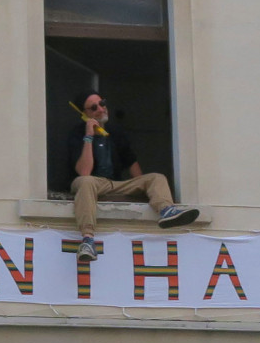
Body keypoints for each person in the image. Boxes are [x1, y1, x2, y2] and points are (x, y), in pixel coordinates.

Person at [66, 90, 199, 262]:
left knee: (156, 178)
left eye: (102, 103)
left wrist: (142, 190)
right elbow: (84, 171)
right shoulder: (78, 135)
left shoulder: (116, 132)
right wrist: (89, 136)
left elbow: (132, 165)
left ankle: (167, 210)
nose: (100, 109)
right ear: (84, 114)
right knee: (85, 181)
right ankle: (88, 239)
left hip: (116, 184)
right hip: (93, 183)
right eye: (93, 107)